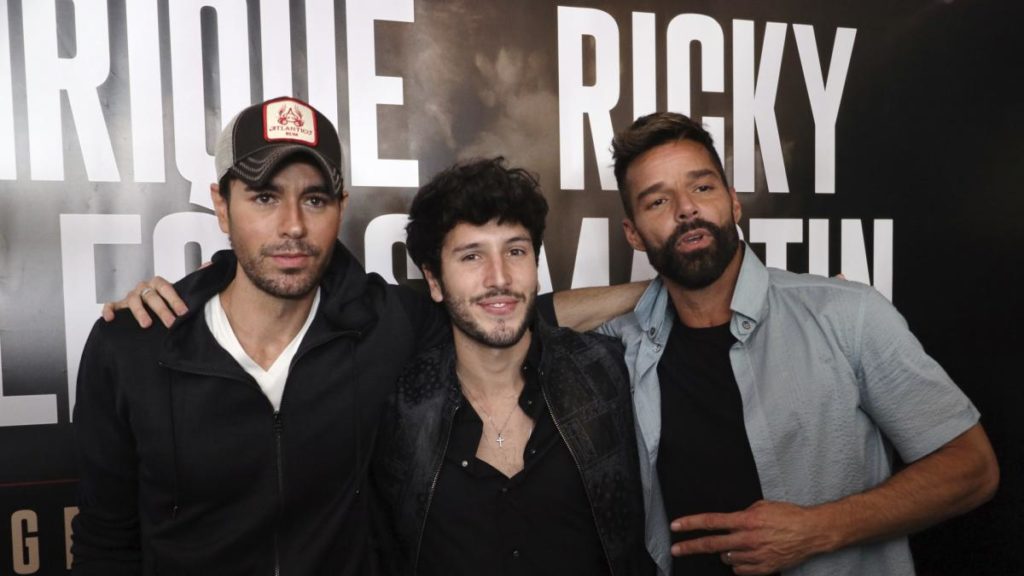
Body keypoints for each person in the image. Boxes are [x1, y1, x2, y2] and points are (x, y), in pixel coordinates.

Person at [599, 111, 999, 576]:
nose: (686, 209)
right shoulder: (621, 348)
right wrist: (656, 288)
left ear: (734, 202)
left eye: (702, 187)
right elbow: (533, 317)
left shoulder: (846, 315)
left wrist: (816, 530)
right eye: (657, 201)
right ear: (633, 234)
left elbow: (973, 468)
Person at [71, 97, 450, 575]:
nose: (293, 226)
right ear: (222, 207)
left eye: (315, 200)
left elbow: (504, 316)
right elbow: (104, 545)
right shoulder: (132, 346)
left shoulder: (390, 323)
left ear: (341, 208)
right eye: (265, 197)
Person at [371, 158, 652, 576]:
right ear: (434, 281)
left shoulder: (609, 373)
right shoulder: (398, 409)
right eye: (472, 256)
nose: (499, 277)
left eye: (515, 251)